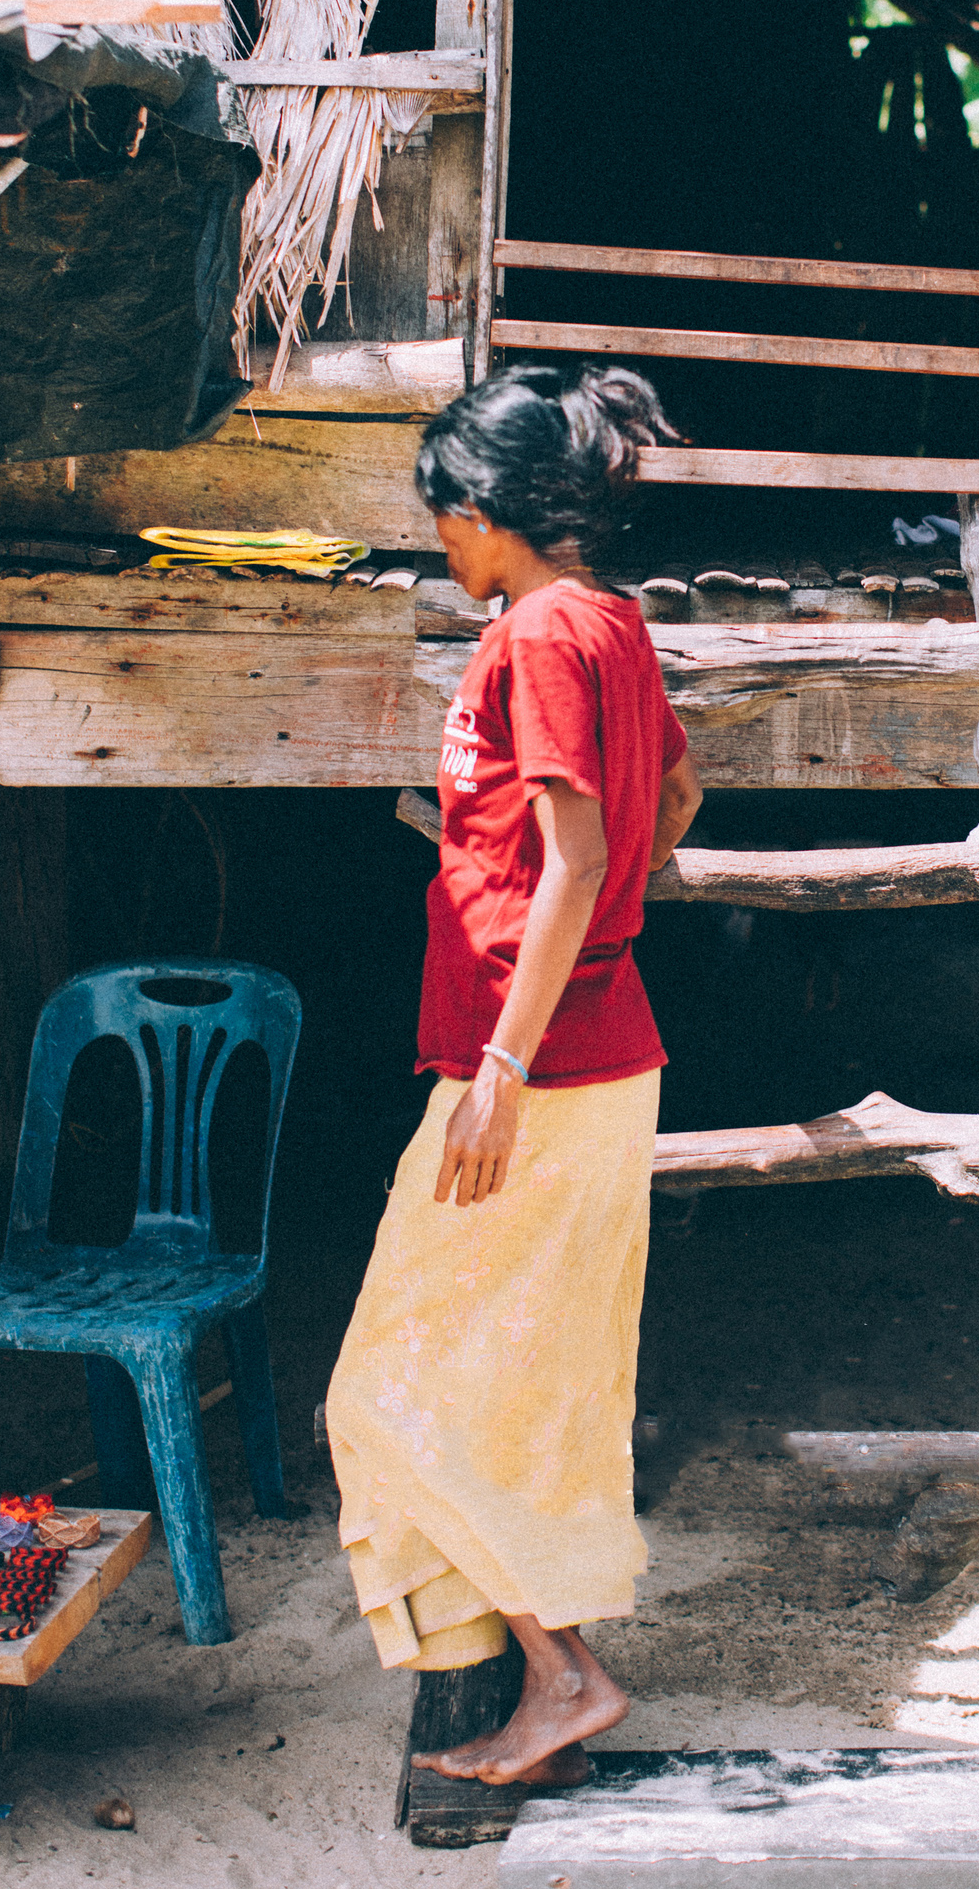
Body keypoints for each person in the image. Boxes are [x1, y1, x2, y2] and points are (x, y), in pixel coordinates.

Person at [326, 363, 703, 1790]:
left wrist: (501, 1059)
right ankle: (553, 1676)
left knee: (376, 1392)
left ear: (485, 511)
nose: (438, 542)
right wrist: (598, 945)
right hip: (599, 1059)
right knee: (518, 1383)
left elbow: (589, 854)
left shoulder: (540, 632)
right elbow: (675, 799)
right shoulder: (614, 623)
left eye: (442, 517)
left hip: (532, 1077)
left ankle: (562, 1672)